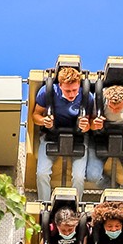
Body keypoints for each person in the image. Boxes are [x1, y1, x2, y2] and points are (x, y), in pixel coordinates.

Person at [32, 66, 90, 202]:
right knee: (42, 173)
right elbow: (35, 115)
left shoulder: (87, 97)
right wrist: (43, 121)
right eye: (67, 90)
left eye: (75, 90)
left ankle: (76, 205)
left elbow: (91, 125)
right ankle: (44, 203)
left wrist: (85, 125)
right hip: (51, 136)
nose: (71, 94)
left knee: (79, 176)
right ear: (60, 86)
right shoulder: (47, 93)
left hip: (78, 139)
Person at [85, 84, 123, 199]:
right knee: (92, 175)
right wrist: (95, 124)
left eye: (117, 108)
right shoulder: (99, 98)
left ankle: (122, 202)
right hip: (101, 139)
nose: (113, 111)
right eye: (111, 107)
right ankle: (115, 192)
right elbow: (90, 124)